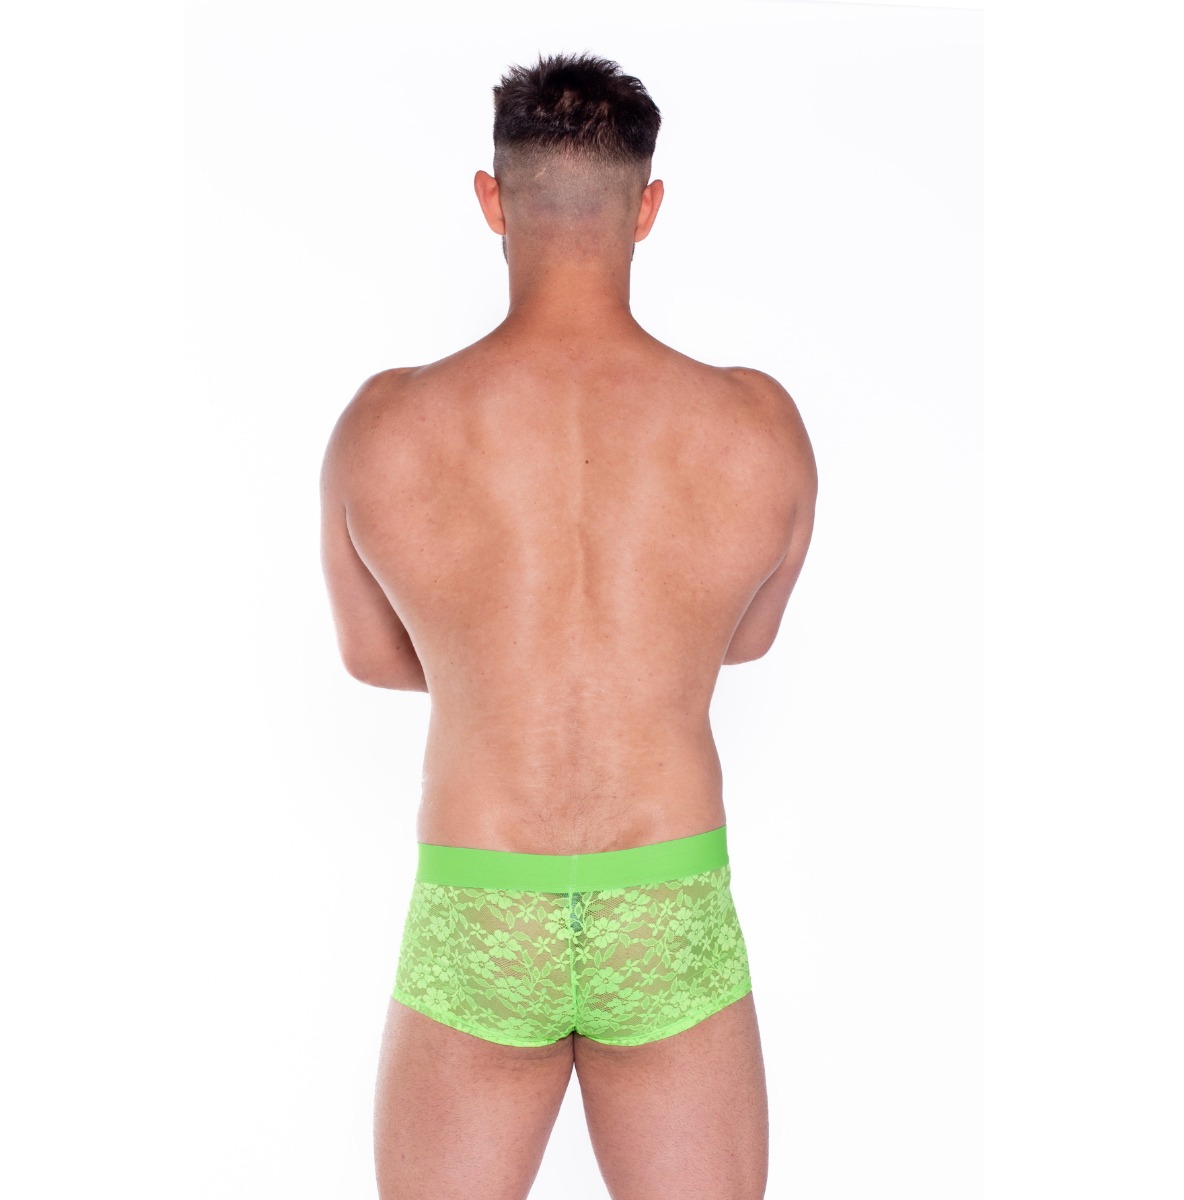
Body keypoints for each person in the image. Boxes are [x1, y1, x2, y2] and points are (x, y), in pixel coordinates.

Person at [319, 50, 817, 1200]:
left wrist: (492, 658)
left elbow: (370, 655)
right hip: (666, 895)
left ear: (492, 200)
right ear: (648, 208)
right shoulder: (755, 423)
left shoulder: (385, 424)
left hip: (480, 893)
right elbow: (742, 640)